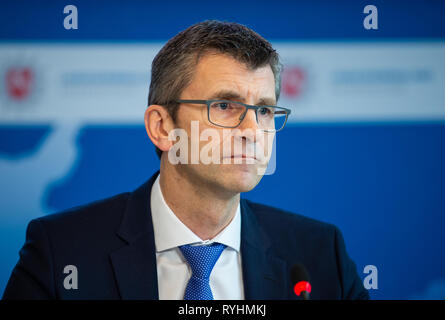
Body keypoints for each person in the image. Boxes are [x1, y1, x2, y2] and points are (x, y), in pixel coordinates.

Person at [2, 20, 369, 300]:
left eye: (264, 110)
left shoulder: (320, 255)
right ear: (162, 127)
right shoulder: (61, 252)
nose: (252, 130)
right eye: (225, 106)